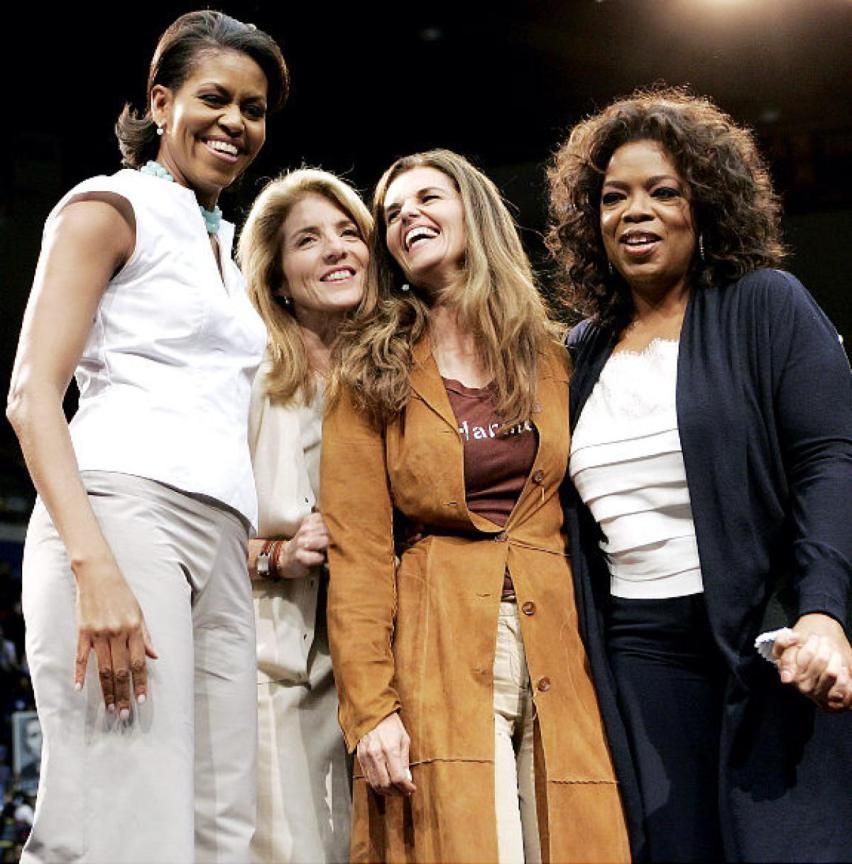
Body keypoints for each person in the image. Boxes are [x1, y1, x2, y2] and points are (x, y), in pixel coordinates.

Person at [6, 11, 288, 863]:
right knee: (122, 822)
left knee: (219, 829)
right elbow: (30, 398)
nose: (236, 122)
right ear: (160, 103)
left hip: (221, 544)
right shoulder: (109, 207)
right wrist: (96, 569)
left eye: (255, 107)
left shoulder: (223, 246)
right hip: (125, 518)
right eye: (214, 97)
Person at [546, 86, 852, 863]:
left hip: (765, 633)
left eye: (662, 191)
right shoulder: (579, 351)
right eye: (614, 197)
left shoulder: (766, 306)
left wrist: (823, 612)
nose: (634, 211)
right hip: (638, 651)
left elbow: (830, 460)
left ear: (705, 204)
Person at [322, 149, 631, 863]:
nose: (408, 218)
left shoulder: (555, 357)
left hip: (561, 638)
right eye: (393, 213)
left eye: (428, 197)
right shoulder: (373, 365)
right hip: (440, 638)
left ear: (475, 212)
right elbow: (359, 551)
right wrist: (371, 710)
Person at [237, 168, 372, 863]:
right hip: (270, 671)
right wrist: (277, 555)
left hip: (370, 673)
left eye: (350, 233)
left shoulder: (392, 375)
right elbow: (187, 534)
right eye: (309, 240)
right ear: (279, 277)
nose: (337, 250)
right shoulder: (249, 374)